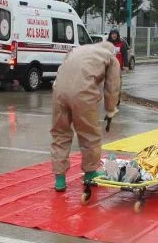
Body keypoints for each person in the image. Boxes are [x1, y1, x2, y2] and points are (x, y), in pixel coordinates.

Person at [50, 39, 121, 191]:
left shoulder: (78, 50)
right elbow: (112, 87)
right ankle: (90, 173)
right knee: (90, 135)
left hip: (59, 91)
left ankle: (60, 179)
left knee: (60, 134)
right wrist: (110, 110)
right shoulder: (110, 57)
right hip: (83, 93)